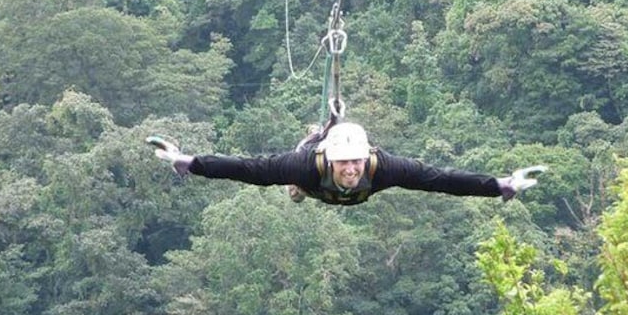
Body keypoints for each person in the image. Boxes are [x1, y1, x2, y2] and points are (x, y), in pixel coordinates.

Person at [147, 122, 546, 206]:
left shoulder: (383, 168)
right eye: (344, 164)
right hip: (309, 182)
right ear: (331, 161)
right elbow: (248, 169)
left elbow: (440, 179)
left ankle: (319, 132)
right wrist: (189, 162)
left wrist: (499, 185)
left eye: (355, 162)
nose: (352, 170)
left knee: (428, 177)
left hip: (339, 193)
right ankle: (314, 135)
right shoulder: (306, 166)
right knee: (288, 181)